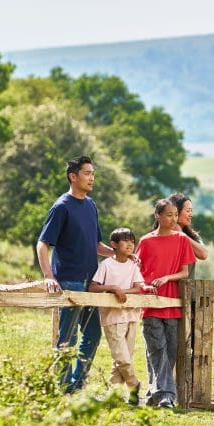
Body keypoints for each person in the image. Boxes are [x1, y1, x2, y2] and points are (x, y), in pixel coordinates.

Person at [36, 155, 116, 393]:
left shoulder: (91, 205)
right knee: (67, 339)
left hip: (91, 284)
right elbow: (43, 244)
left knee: (92, 336)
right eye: (87, 173)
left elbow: (96, 245)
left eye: (93, 173)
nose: (92, 178)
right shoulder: (61, 207)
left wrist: (118, 255)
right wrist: (49, 276)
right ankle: (62, 388)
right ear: (73, 176)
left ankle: (76, 385)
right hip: (68, 282)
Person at [136, 199, 196, 408]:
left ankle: (154, 393)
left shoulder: (182, 240)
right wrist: (145, 286)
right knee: (157, 349)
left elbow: (185, 272)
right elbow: (137, 272)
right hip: (151, 304)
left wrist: (167, 278)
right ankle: (167, 396)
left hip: (173, 305)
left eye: (174, 214)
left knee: (169, 351)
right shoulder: (145, 242)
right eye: (168, 215)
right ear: (158, 216)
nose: (172, 219)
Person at [88, 227, 152, 405]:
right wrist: (113, 288)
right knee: (122, 358)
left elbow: (139, 287)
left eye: (132, 240)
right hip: (112, 318)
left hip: (131, 317)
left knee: (122, 360)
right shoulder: (106, 264)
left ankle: (113, 395)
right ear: (114, 245)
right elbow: (93, 287)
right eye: (125, 240)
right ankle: (134, 385)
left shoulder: (132, 265)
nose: (130, 244)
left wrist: (123, 290)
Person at [167, 193, 208, 279]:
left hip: (187, 289)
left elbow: (203, 254)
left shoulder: (193, 236)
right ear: (176, 212)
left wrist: (181, 234)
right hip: (165, 288)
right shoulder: (162, 234)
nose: (191, 214)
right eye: (188, 211)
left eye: (191, 211)